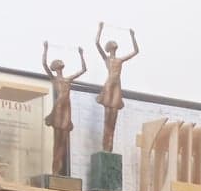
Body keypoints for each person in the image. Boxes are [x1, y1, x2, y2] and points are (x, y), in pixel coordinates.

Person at [41, 40, 86, 176]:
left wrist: (81, 54)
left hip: (67, 109)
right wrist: (45, 48)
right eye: (57, 63)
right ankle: (55, 170)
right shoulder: (54, 79)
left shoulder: (68, 79)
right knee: (57, 140)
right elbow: (44, 64)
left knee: (63, 141)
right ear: (55, 67)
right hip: (59, 108)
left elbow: (83, 70)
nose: (60, 64)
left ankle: (59, 170)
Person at [94, 22, 139, 152]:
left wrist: (132, 36)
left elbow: (136, 51)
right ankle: (105, 147)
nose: (114, 45)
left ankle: (110, 148)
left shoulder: (120, 60)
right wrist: (100, 28)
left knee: (113, 120)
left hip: (117, 88)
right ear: (109, 48)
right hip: (109, 87)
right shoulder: (107, 59)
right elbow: (97, 43)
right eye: (111, 44)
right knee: (107, 119)